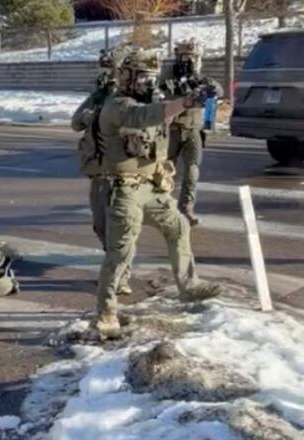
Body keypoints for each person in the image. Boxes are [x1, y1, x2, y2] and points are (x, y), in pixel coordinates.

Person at [94, 47, 224, 339]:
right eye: (141, 77)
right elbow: (145, 116)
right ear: (125, 76)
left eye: (151, 78)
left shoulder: (151, 99)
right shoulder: (117, 105)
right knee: (121, 251)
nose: (147, 83)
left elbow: (167, 114)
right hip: (123, 189)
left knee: (178, 226)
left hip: (151, 187)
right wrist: (186, 101)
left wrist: (197, 92)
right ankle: (105, 312)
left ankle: (189, 286)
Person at [72, 47, 133, 296]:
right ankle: (115, 267)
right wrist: (93, 113)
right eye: (103, 68)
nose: (106, 73)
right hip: (99, 173)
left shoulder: (131, 97)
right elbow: (76, 122)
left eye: (111, 69)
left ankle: (119, 276)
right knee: (101, 226)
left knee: (120, 228)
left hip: (121, 173)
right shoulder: (100, 95)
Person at [162, 38, 223, 226]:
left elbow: (218, 90)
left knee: (192, 170)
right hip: (172, 129)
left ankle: (186, 207)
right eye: (184, 56)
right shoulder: (167, 76)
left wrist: (206, 87)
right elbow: (159, 97)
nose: (188, 61)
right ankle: (160, 205)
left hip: (193, 130)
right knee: (164, 170)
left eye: (192, 57)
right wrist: (177, 89)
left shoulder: (198, 79)